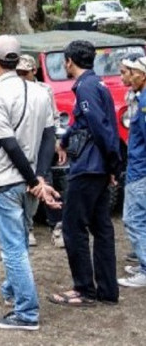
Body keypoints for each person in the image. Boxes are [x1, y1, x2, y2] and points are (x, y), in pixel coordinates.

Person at [0, 35, 60, 331]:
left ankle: (26, 313)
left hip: (6, 180)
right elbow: (50, 137)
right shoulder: (41, 92)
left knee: (12, 248)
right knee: (21, 243)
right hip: (30, 183)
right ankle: (11, 292)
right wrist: (39, 177)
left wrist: (33, 179)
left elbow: (8, 144)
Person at [50, 40, 121, 307]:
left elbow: (101, 127)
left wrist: (114, 165)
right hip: (99, 167)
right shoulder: (96, 84)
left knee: (73, 227)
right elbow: (86, 123)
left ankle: (84, 289)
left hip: (90, 168)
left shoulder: (87, 87)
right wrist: (65, 140)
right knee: (102, 227)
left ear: (69, 61)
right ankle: (107, 290)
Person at [16, 54, 63, 248]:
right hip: (21, 145)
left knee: (47, 181)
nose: (21, 76)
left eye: (24, 73)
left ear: (34, 71)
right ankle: (27, 228)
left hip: (42, 143)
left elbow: (54, 117)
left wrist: (57, 141)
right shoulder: (14, 90)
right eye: (18, 73)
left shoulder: (45, 90)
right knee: (22, 186)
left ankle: (57, 228)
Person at [117, 55, 146, 287]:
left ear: (141, 74)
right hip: (138, 167)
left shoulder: (144, 103)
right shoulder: (139, 98)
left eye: (127, 72)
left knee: (133, 219)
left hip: (141, 171)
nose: (125, 77)